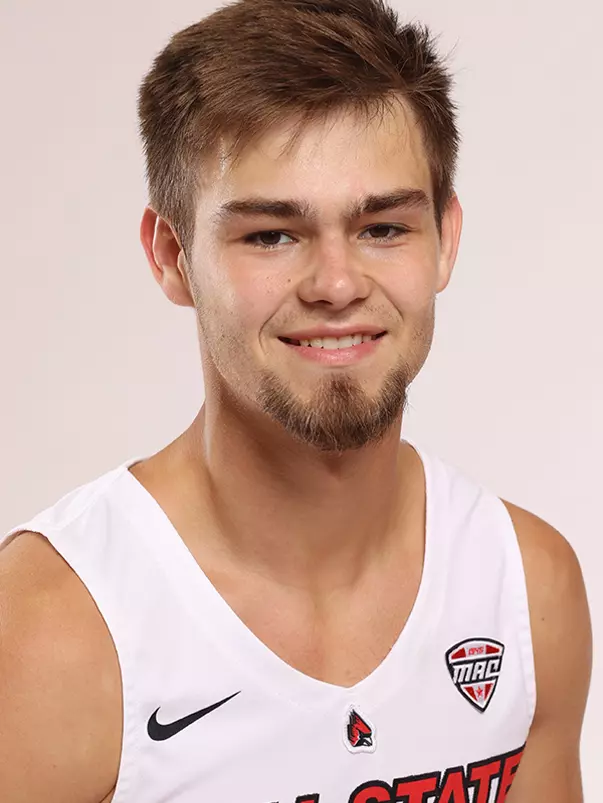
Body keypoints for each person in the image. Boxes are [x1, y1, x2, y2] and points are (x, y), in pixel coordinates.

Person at [0, 0, 592, 801]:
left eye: (383, 226)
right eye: (271, 235)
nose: (337, 285)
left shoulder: (526, 586)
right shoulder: (53, 626)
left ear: (445, 239)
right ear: (172, 257)